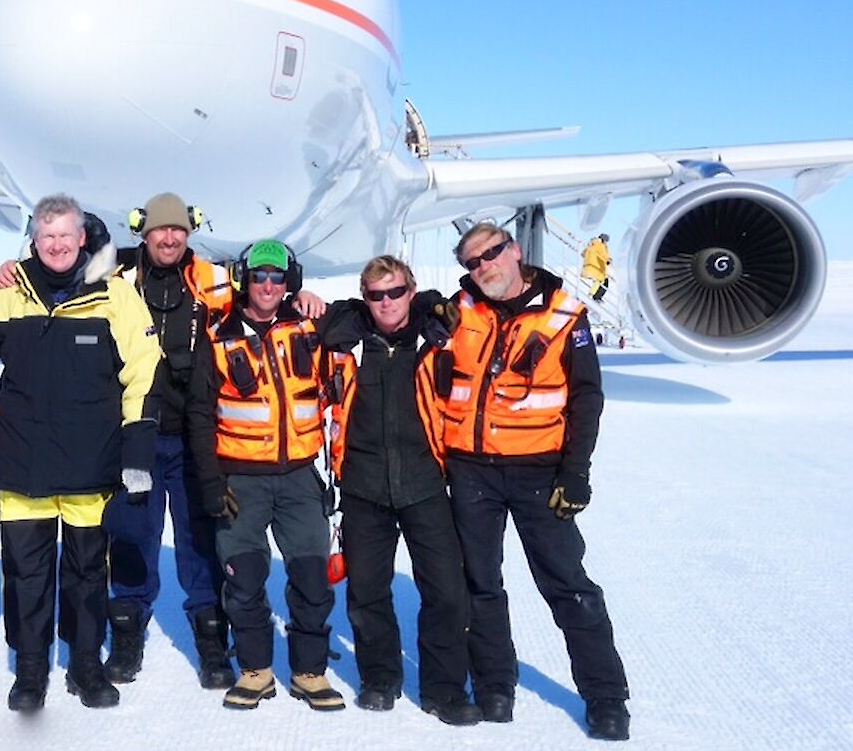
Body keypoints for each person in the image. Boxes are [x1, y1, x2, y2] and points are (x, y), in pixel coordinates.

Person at [0, 194, 328, 689]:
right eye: (158, 230)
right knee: (131, 538)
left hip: (196, 438)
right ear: (142, 233)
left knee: (199, 542)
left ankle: (213, 644)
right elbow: (53, 273)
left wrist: (304, 298)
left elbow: (263, 299)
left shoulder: (213, 282)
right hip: (133, 436)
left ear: (190, 233)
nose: (168, 239)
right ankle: (127, 637)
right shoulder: (116, 276)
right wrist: (13, 269)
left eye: (178, 231)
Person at [433, 223, 631, 741]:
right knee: (481, 584)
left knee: (567, 584)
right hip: (472, 469)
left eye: (492, 254)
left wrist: (576, 471)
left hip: (539, 471)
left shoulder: (565, 316)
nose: (485, 267)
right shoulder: (459, 311)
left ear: (515, 250)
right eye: (473, 262)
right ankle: (495, 684)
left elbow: (587, 399)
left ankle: (606, 694)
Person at [0, 194, 162, 711]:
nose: (56, 246)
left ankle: (84, 666)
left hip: (90, 464)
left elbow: (143, 372)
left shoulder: (116, 297)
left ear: (83, 239)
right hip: (23, 466)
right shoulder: (10, 296)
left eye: (66, 236)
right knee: (26, 576)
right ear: (34, 241)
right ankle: (30, 672)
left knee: (86, 574)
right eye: (46, 236)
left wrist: (137, 449)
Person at [316, 255, 481, 725]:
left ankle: (445, 689)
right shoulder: (346, 344)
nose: (386, 303)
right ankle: (380, 677)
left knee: (447, 591)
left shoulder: (436, 338)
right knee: (367, 590)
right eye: (375, 295)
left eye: (395, 292)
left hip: (426, 482)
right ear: (364, 299)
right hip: (365, 485)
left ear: (412, 291)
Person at [186, 239, 343, 712]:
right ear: (244, 280)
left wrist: (321, 303)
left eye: (278, 277)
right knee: (245, 578)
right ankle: (256, 670)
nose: (269, 285)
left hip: (299, 476)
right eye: (260, 277)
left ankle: (310, 672)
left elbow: (368, 313)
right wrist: (212, 483)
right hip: (241, 480)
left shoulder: (310, 326)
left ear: (289, 280)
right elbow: (199, 413)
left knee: (312, 577)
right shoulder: (217, 337)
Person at [582, 233, 611, 302]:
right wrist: (608, 260)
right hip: (596, 267)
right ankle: (595, 297)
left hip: (589, 266)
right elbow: (603, 255)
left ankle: (593, 296)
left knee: (599, 282)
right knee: (604, 282)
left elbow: (583, 254)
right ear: (604, 240)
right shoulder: (600, 245)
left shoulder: (592, 244)